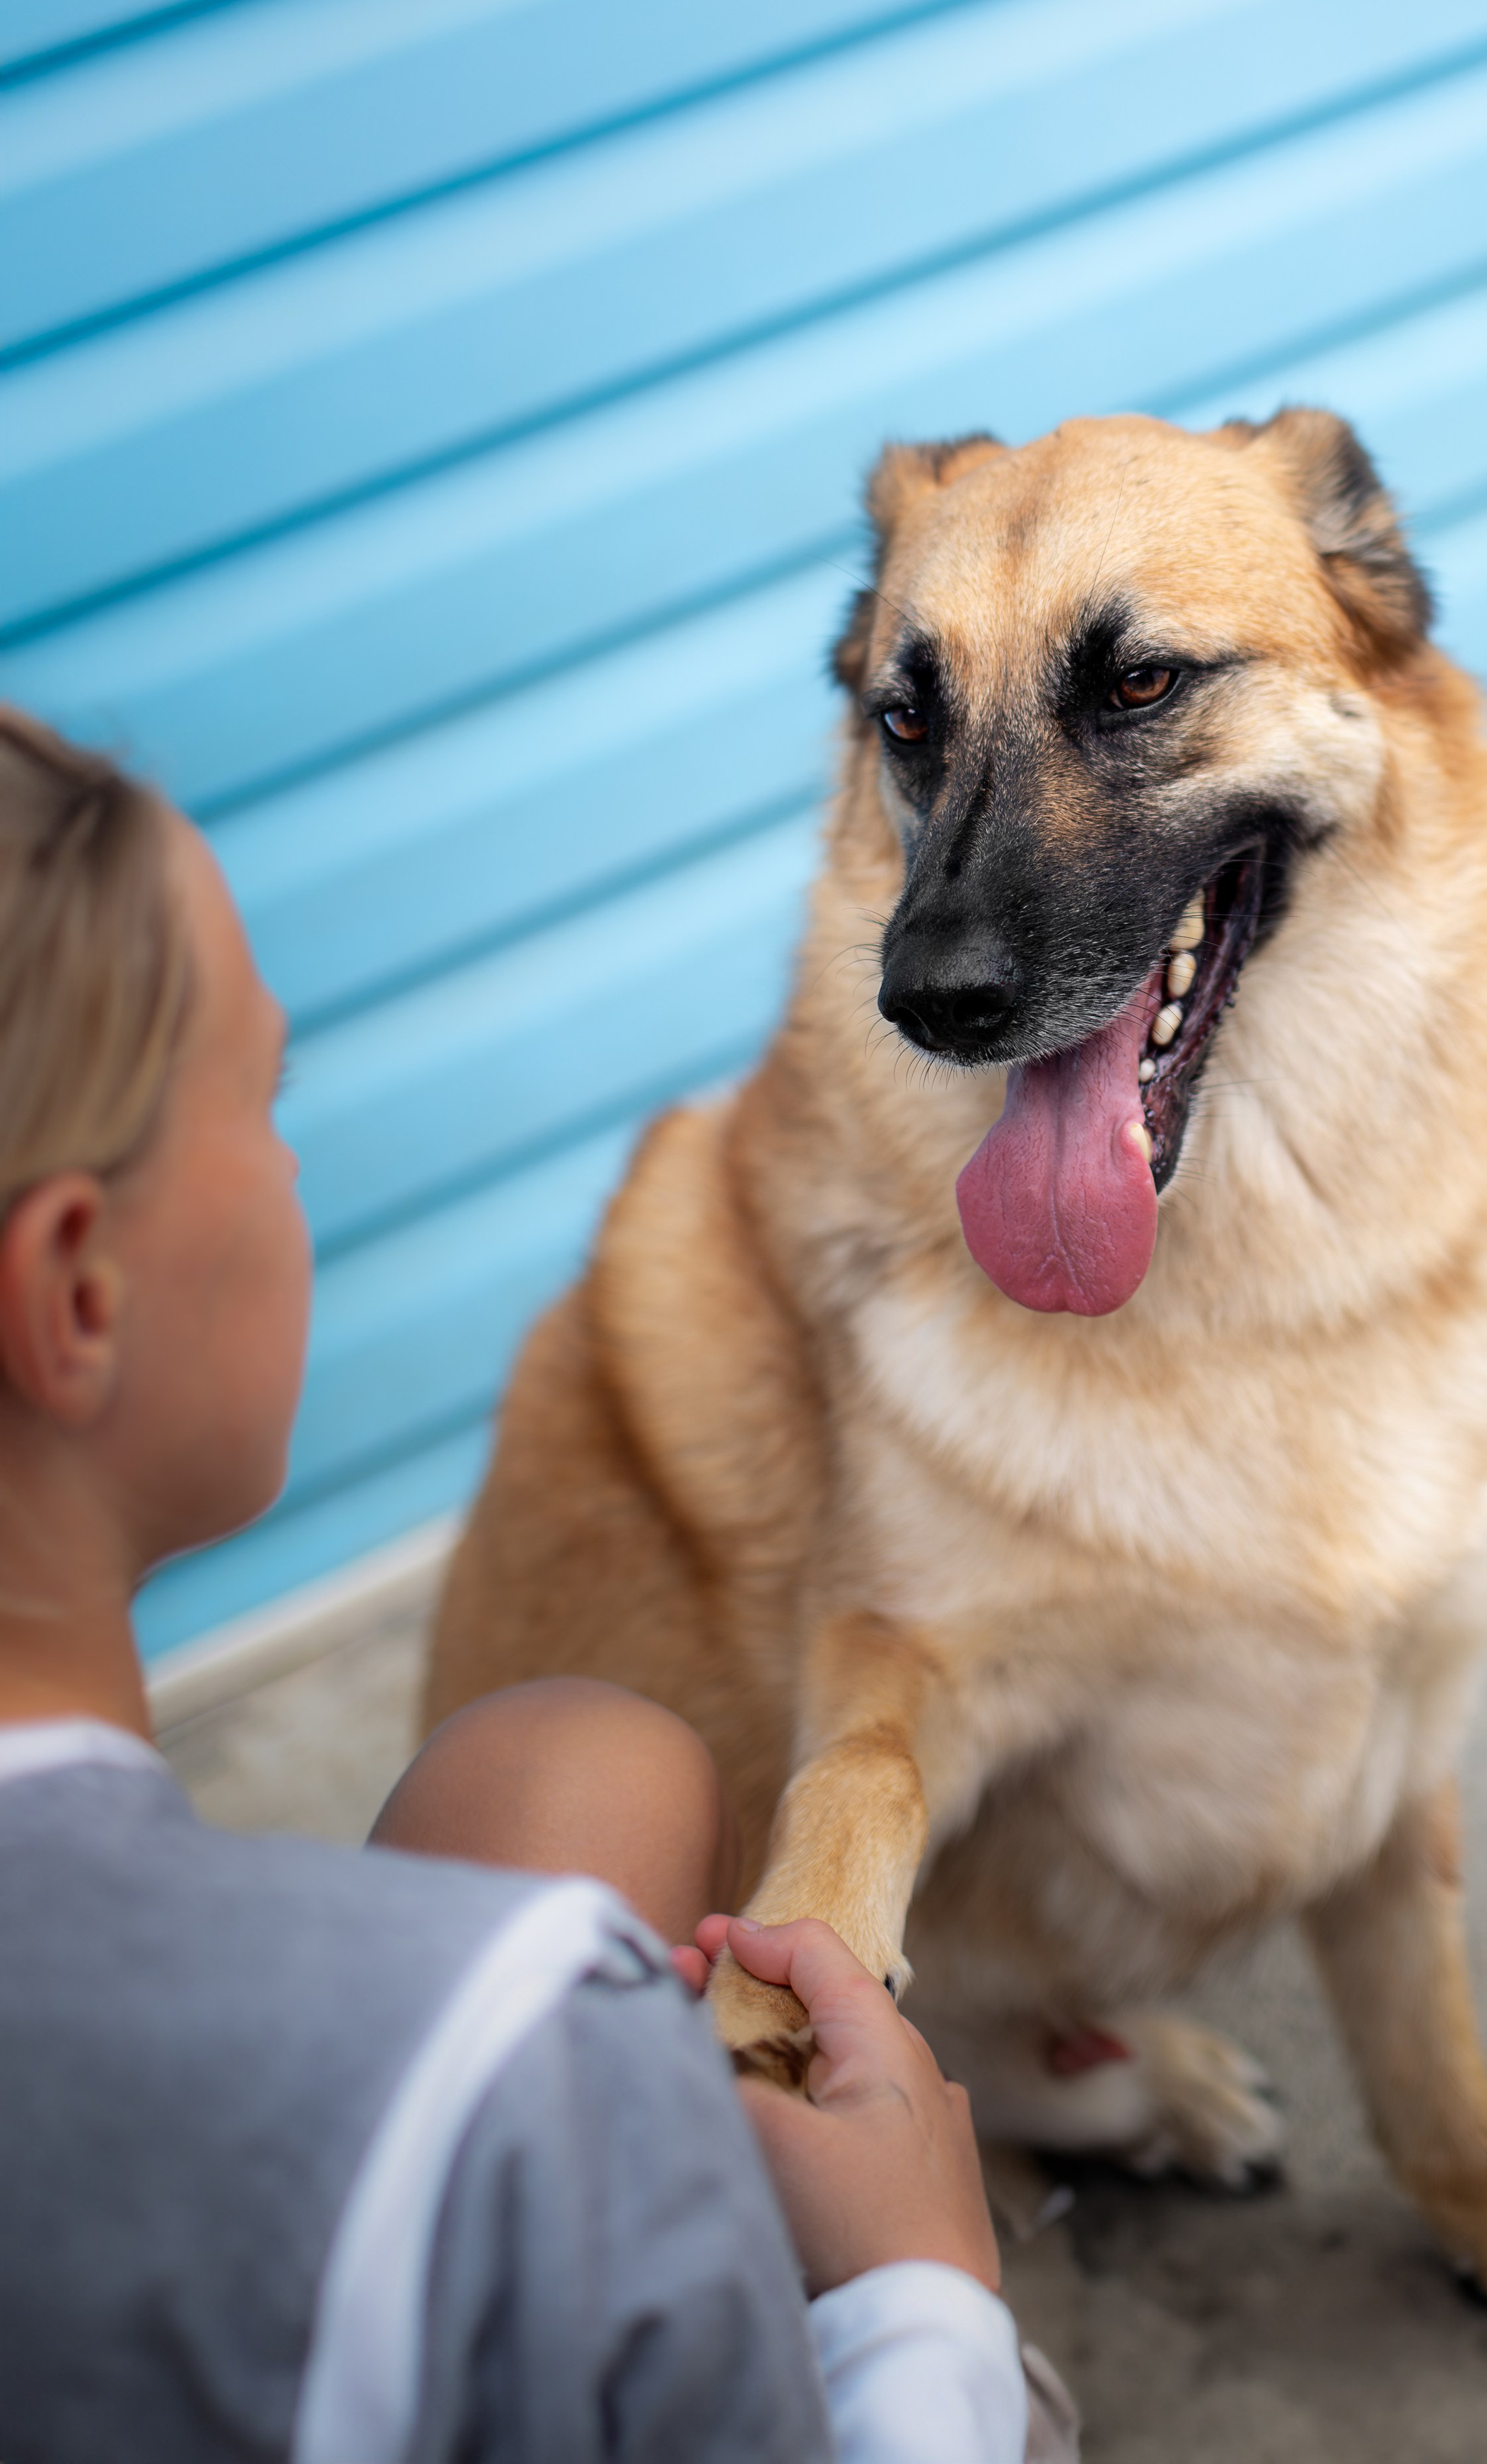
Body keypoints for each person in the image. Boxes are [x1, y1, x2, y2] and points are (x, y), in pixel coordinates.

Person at [0, 708, 1078, 2463]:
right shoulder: (505, 2079)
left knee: (579, 1761)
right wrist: (918, 2294)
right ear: (76, 1295)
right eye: (259, 1105)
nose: (289, 1171)